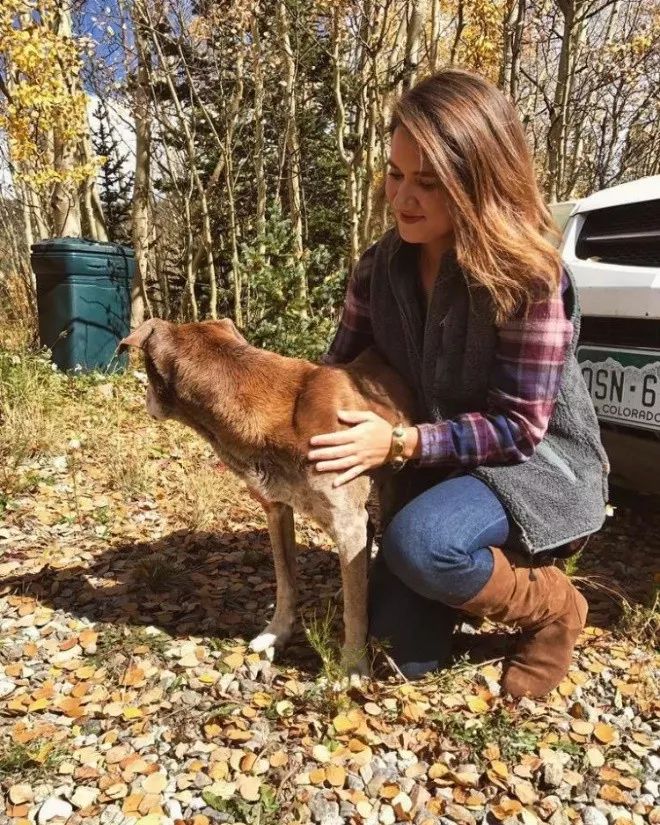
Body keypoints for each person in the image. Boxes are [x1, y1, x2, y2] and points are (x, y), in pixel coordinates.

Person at [307, 68, 610, 698]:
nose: (402, 198)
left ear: (479, 181)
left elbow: (520, 428)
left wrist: (401, 443)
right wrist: (277, 440)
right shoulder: (378, 267)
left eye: (428, 182)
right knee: (404, 658)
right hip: (436, 465)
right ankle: (465, 567)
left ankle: (553, 605)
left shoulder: (529, 278)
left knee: (423, 546)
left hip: (534, 467)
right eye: (395, 174)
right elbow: (337, 371)